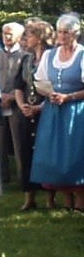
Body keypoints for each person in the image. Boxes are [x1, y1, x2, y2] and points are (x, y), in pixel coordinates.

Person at [30, 13, 84, 213]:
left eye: (66, 32)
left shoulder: (82, 55)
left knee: (75, 152)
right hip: (54, 111)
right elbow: (40, 81)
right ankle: (66, 199)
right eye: (59, 32)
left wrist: (68, 97)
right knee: (57, 153)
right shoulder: (49, 55)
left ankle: (80, 201)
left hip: (77, 111)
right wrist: (49, 93)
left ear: (75, 34)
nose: (61, 36)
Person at [13, 19, 54, 210]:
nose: (25, 39)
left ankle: (50, 196)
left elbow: (58, 87)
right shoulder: (26, 59)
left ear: (39, 37)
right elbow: (18, 86)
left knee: (46, 153)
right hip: (26, 113)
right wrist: (22, 105)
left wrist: (40, 107)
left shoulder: (53, 58)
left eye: (28, 35)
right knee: (26, 152)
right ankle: (29, 197)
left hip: (47, 112)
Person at [0, 22, 27, 185]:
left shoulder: (26, 56)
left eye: (10, 33)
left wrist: (12, 97)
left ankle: (23, 179)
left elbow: (27, 82)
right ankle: (2, 178)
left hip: (17, 104)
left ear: (19, 36)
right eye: (5, 33)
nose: (7, 36)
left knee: (20, 143)